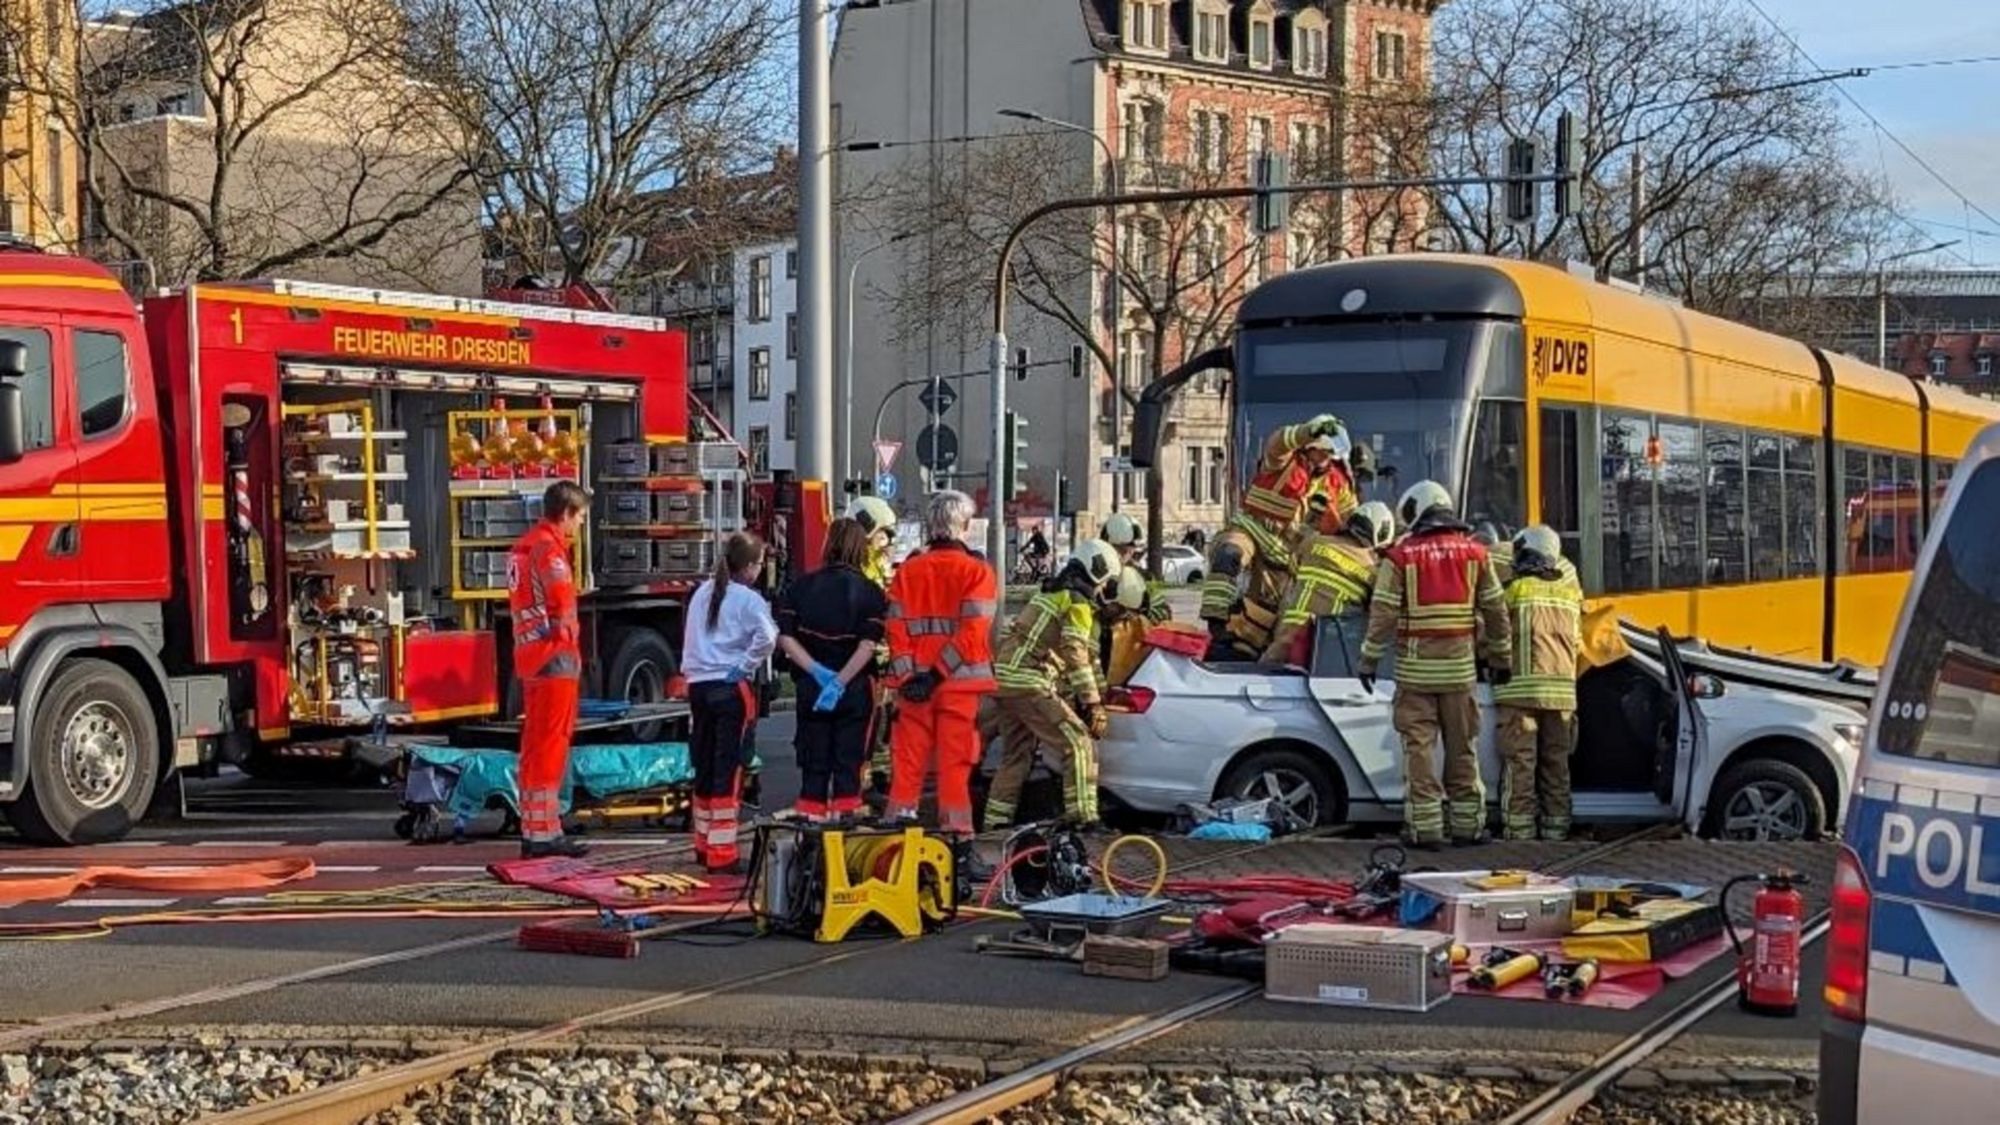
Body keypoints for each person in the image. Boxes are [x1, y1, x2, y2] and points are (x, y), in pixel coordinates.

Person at [1358, 481, 1511, 848]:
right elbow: (1495, 610)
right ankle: (1467, 827)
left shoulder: (1400, 557)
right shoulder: (1476, 554)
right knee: (1462, 748)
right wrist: (1501, 658)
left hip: (1414, 674)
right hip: (1460, 674)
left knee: (1420, 750)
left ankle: (1426, 830)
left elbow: (1382, 614)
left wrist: (1368, 660)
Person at [884, 490, 998, 846]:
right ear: (963, 526)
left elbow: (896, 629)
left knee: (907, 764)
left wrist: (910, 677)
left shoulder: (908, 571)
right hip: (956, 688)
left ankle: (897, 839)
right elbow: (971, 633)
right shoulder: (977, 572)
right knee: (955, 766)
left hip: (913, 689)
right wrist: (936, 676)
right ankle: (958, 844)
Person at [985, 539, 1122, 831]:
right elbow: (1075, 651)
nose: (1103, 592)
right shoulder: (1078, 603)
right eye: (1106, 583)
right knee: (1078, 742)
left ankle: (995, 826)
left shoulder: (1050, 593)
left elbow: (1077, 656)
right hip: (1029, 682)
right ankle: (1083, 817)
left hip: (1005, 680)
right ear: (1097, 573)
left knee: (1015, 756)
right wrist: (1092, 702)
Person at [1200, 414, 1350, 660]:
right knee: (1229, 554)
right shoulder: (1282, 461)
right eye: (1322, 450)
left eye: (1330, 453)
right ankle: (1215, 618)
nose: (1326, 457)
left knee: (1263, 615)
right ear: (1309, 447)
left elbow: (1347, 520)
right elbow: (1278, 441)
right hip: (1253, 530)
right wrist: (1308, 430)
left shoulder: (1337, 482)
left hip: (1286, 556)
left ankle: (1242, 649)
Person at [775, 519, 888, 822]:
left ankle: (810, 839)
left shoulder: (800, 587)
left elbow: (785, 638)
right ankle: (843, 839)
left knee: (814, 766)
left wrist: (817, 671)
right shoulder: (871, 592)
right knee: (848, 767)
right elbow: (867, 646)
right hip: (854, 688)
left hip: (811, 687)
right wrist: (839, 681)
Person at [681, 532, 777, 873]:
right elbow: (768, 637)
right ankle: (722, 854)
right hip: (729, 687)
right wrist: (745, 666)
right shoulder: (748, 599)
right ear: (750, 567)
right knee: (729, 767)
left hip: (698, 687)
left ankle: (704, 844)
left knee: (705, 764)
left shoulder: (701, 594)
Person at [509, 481, 591, 858]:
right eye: (580, 517)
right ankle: (545, 833)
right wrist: (568, 637)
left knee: (533, 745)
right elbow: (560, 603)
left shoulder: (523, 545)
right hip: (554, 657)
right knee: (551, 744)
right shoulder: (549, 550)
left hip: (530, 658)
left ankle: (534, 828)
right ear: (567, 513)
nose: (580, 526)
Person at [1494, 525, 1585, 841]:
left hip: (1520, 695)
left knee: (1521, 764)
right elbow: (1577, 644)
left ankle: (1519, 834)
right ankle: (1556, 831)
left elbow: (1493, 638)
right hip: (1561, 697)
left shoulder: (1515, 591)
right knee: (1556, 765)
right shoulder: (1570, 596)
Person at [1262, 500, 1395, 665]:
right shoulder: (1372, 571)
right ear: (1380, 536)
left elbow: (1292, 571)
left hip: (1283, 645)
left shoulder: (1313, 543)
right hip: (1326, 655)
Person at [847, 496, 899, 794]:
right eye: (885, 533)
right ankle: (862, 781)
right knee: (867, 723)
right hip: (867, 659)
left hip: (880, 658)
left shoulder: (877, 564)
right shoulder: (860, 567)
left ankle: (879, 776)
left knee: (882, 723)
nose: (888, 540)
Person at [1100, 512, 1170, 625]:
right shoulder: (1092, 573)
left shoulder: (1142, 578)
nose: (1125, 553)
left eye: (1130, 548)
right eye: (1119, 548)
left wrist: (1140, 611)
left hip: (1132, 639)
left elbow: (1164, 613)